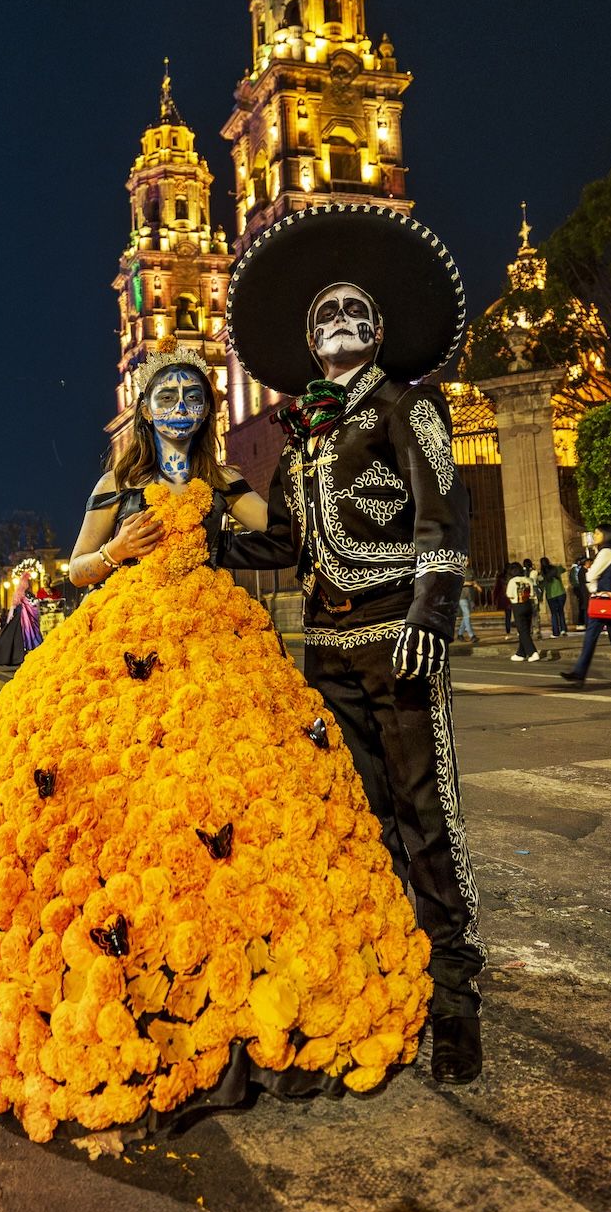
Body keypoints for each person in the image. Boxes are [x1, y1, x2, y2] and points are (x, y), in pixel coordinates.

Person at [0, 333, 437, 1143]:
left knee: (235, 787)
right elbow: (76, 566)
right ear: (144, 408)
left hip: (214, 635)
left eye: (193, 398)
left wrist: (310, 464)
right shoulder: (116, 481)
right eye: (167, 398)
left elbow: (271, 525)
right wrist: (117, 552)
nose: (180, 409)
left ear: (206, 413)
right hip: (122, 633)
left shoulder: (217, 476)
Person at [220, 202, 485, 1085]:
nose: (339, 323)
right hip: (325, 654)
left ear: (377, 330)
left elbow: (443, 519)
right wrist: (203, 527)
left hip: (394, 645)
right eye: (323, 315)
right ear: (309, 340)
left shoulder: (410, 409)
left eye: (352, 312)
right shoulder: (302, 444)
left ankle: (455, 1000)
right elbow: (287, 546)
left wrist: (429, 618)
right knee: (360, 820)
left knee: (426, 815)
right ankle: (385, 968)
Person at [561, 525, 611, 689]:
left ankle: (579, 674)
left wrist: (593, 588)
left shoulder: (605, 552)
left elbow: (591, 574)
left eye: (597, 533)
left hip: (602, 602)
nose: (594, 535)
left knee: (590, 638)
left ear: (606, 534)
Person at [0, 562, 45, 668]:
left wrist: (9, 619)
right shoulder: (26, 594)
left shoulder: (19, 593)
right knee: (25, 637)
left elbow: (13, 607)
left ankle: (18, 657)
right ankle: (24, 656)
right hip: (24, 619)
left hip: (20, 618)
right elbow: (31, 605)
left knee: (16, 638)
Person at [505, 562, 540, 661]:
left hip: (518, 606)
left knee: (522, 630)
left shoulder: (512, 581)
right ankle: (521, 653)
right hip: (528, 605)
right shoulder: (527, 580)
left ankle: (532, 652)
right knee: (525, 630)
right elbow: (532, 593)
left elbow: (509, 594)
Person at [539, 557, 568, 637]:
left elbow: (541, 586)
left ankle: (556, 632)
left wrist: (540, 597)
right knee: (561, 612)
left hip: (551, 595)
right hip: (561, 593)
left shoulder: (542, 574)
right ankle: (563, 630)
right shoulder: (556, 569)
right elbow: (563, 569)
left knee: (554, 614)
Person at [456, 568, 480, 642]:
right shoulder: (458, 571)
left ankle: (460, 634)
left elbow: (474, 581)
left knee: (466, 616)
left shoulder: (471, 571)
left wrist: (477, 586)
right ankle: (472, 635)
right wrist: (468, 583)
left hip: (470, 596)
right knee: (467, 614)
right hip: (462, 596)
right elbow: (457, 583)